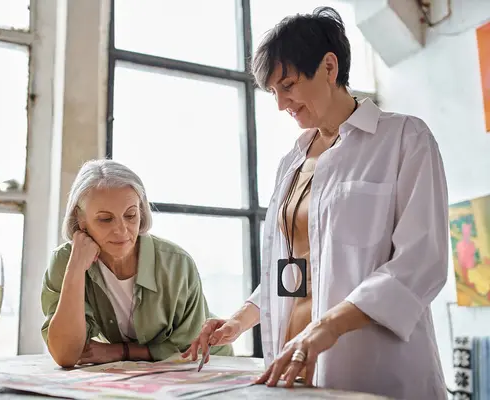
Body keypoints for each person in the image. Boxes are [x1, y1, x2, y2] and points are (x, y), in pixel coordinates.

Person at [183, 7, 448, 400]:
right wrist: (240, 320)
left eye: (287, 84)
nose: (280, 104)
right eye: (273, 92)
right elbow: (299, 267)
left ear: (328, 67)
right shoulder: (292, 162)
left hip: (377, 373)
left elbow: (420, 262)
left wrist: (325, 328)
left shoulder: (405, 139)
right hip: (296, 371)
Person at [41, 159, 233, 367]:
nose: (122, 230)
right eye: (105, 219)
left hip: (211, 361)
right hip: (147, 372)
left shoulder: (177, 263)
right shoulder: (65, 261)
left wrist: (121, 352)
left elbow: (188, 347)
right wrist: (75, 270)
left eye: (131, 215)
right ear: (80, 218)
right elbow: (66, 355)